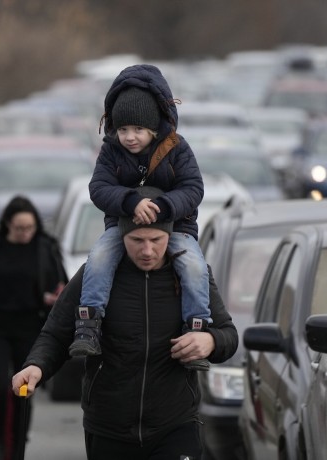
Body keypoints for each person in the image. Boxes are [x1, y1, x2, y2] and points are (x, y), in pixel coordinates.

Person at [11, 201, 238, 460]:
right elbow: (57, 332)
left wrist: (210, 340)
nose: (147, 250)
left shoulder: (193, 278)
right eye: (137, 240)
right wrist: (36, 365)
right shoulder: (94, 277)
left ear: (171, 237)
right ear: (120, 237)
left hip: (175, 425)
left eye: (156, 239)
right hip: (109, 427)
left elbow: (229, 335)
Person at [70, 64, 212, 371]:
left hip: (177, 227)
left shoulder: (177, 148)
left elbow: (193, 188)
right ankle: (89, 324)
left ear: (153, 128)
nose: (130, 138)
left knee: (194, 266)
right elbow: (98, 188)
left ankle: (196, 328)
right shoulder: (110, 152)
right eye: (123, 130)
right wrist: (129, 200)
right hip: (122, 228)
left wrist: (162, 207)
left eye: (137, 130)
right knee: (99, 258)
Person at [0, 196, 67, 460]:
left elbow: (61, 286)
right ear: (7, 224)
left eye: (29, 228)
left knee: (23, 390)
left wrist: (54, 297)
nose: (24, 233)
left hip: (31, 327)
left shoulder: (45, 247)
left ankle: (18, 445)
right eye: (19, 228)